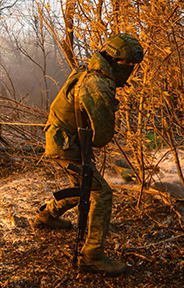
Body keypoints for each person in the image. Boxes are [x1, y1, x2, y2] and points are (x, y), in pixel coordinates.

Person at [33, 33, 144, 276]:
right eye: (128, 65)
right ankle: (92, 257)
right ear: (115, 61)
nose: (130, 70)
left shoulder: (90, 71)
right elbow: (102, 137)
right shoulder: (97, 84)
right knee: (100, 192)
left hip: (64, 140)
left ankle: (46, 215)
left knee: (84, 186)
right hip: (66, 144)